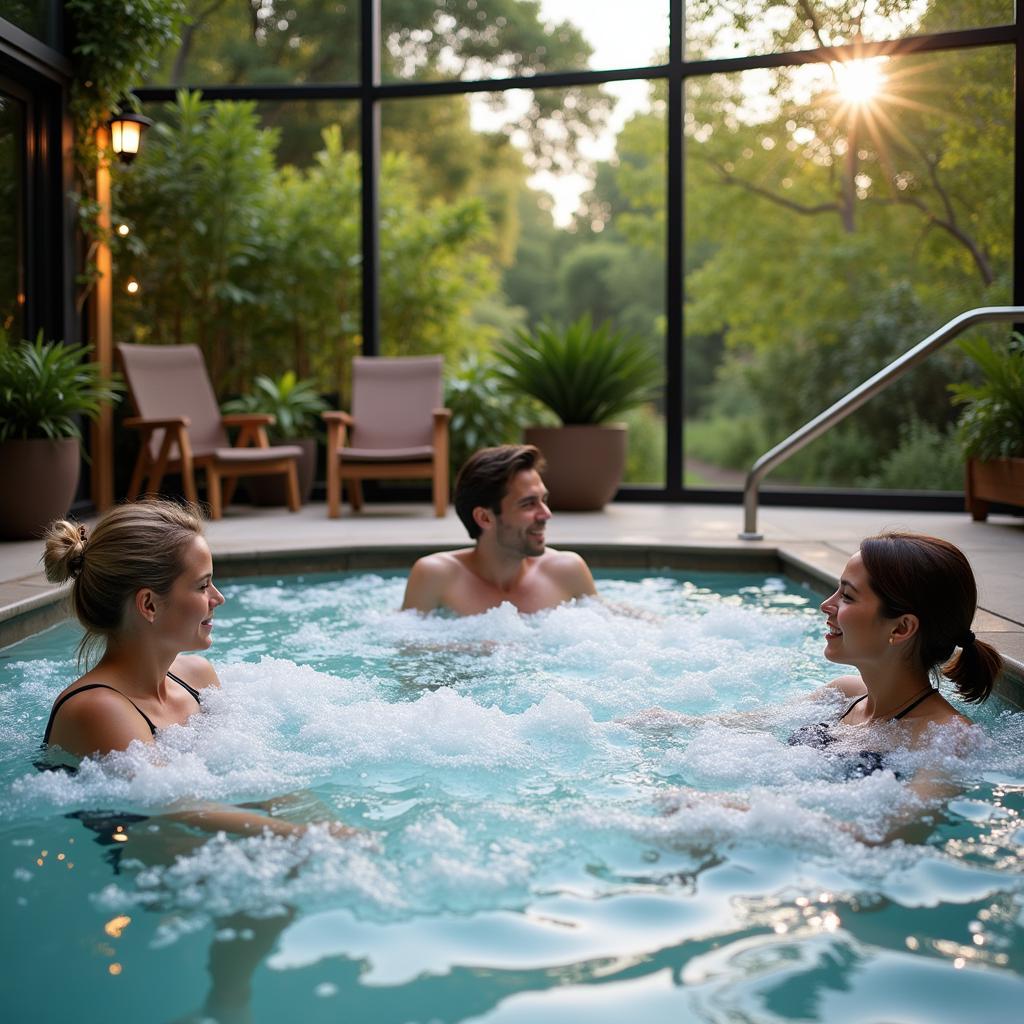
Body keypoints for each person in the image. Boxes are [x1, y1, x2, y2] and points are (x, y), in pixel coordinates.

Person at [41, 498, 352, 839]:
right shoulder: (98, 709)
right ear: (149, 604)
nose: (218, 598)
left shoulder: (197, 677)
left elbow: (252, 773)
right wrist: (303, 837)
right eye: (203, 585)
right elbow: (175, 807)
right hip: (138, 850)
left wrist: (326, 827)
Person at [791, 530, 1003, 760]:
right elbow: (748, 729)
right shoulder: (841, 694)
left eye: (848, 596)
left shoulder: (949, 738)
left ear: (901, 628)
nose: (825, 605)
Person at [401, 444, 597, 615]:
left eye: (543, 500)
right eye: (528, 504)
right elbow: (406, 651)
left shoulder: (567, 571)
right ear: (485, 518)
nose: (546, 514)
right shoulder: (437, 576)